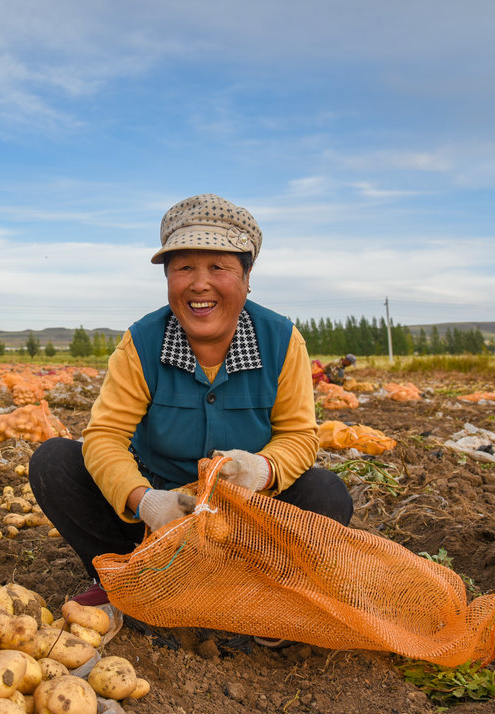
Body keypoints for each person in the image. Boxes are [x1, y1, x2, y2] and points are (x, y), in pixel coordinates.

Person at [29, 194, 352, 645]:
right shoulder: (141, 342)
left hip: (245, 519)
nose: (200, 285)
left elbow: (299, 436)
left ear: (246, 276)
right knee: (56, 462)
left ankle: (262, 600)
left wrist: (261, 470)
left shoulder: (281, 340)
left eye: (218, 267)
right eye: (184, 268)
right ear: (167, 278)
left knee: (325, 493)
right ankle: (129, 579)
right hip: (156, 524)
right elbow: (104, 437)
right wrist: (145, 501)